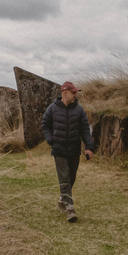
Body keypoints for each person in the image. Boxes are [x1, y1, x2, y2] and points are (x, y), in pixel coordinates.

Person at [41, 81, 95, 223]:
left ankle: (62, 201)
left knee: (71, 177)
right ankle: (70, 208)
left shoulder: (79, 110)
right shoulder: (52, 109)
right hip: (58, 150)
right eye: (73, 92)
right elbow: (45, 125)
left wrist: (89, 147)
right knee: (64, 178)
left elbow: (85, 130)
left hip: (74, 150)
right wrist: (50, 139)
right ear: (65, 93)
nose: (75, 95)